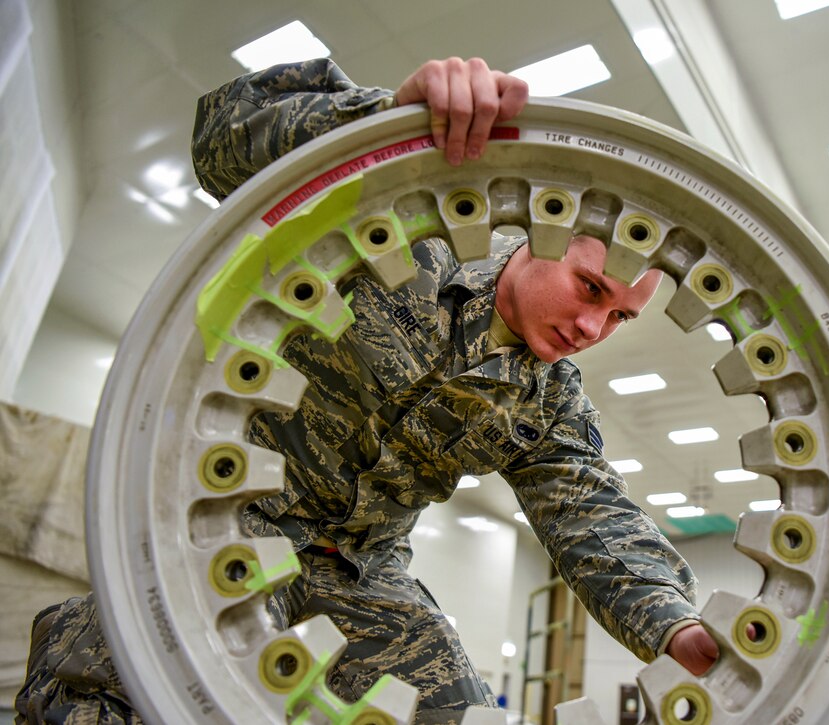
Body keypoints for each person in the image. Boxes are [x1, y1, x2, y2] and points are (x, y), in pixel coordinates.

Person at [16, 57, 718, 725]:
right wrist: (376, 129)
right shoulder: (406, 236)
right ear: (540, 235)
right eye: (590, 288)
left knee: (452, 710)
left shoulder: (549, 402)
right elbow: (220, 141)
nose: (593, 325)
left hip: (359, 569)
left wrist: (677, 625)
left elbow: (595, 520)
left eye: (620, 315)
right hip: (231, 516)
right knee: (104, 670)